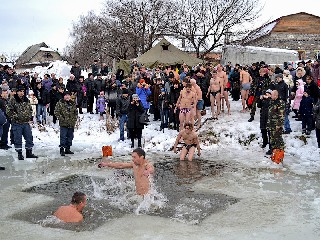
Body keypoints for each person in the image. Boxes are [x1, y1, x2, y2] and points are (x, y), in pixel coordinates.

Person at [6, 86, 38, 160]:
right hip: (17, 123)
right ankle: (19, 154)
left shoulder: (26, 99)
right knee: (18, 139)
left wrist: (29, 116)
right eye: (20, 91)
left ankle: (29, 153)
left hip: (26, 123)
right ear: (17, 92)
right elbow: (8, 111)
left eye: (23, 91)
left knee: (29, 138)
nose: (22, 93)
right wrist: (16, 116)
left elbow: (30, 109)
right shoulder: (13, 100)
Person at [54, 91, 78, 156]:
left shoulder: (73, 103)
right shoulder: (60, 103)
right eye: (66, 95)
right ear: (64, 96)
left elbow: (76, 112)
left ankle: (68, 149)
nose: (67, 97)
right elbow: (56, 112)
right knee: (63, 137)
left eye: (68, 95)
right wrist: (62, 119)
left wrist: (74, 119)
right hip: (63, 124)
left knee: (70, 137)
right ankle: (62, 149)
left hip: (71, 123)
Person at [267, 90, 285, 164]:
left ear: (276, 95)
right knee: (272, 140)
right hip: (271, 124)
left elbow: (281, 115)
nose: (271, 96)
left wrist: (279, 125)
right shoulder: (272, 101)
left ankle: (279, 157)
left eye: (272, 95)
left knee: (278, 141)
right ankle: (274, 155)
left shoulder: (280, 103)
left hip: (276, 125)